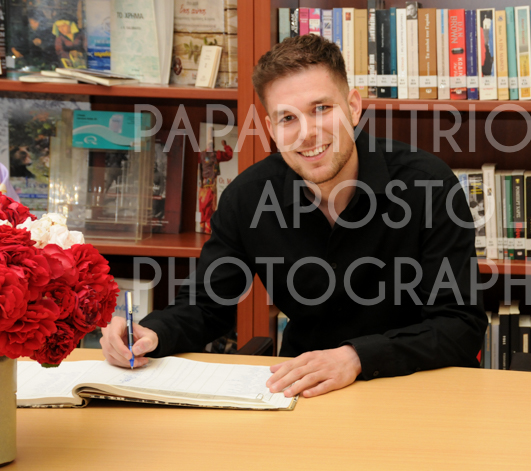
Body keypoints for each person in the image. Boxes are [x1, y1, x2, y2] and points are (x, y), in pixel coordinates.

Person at [101, 34, 487, 398]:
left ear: (353, 107)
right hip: (302, 394)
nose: (307, 133)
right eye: (287, 118)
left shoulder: (429, 184)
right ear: (271, 128)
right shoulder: (247, 198)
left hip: (415, 390)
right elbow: (206, 306)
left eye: (322, 108)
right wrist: (149, 334)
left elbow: (459, 324)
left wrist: (356, 358)